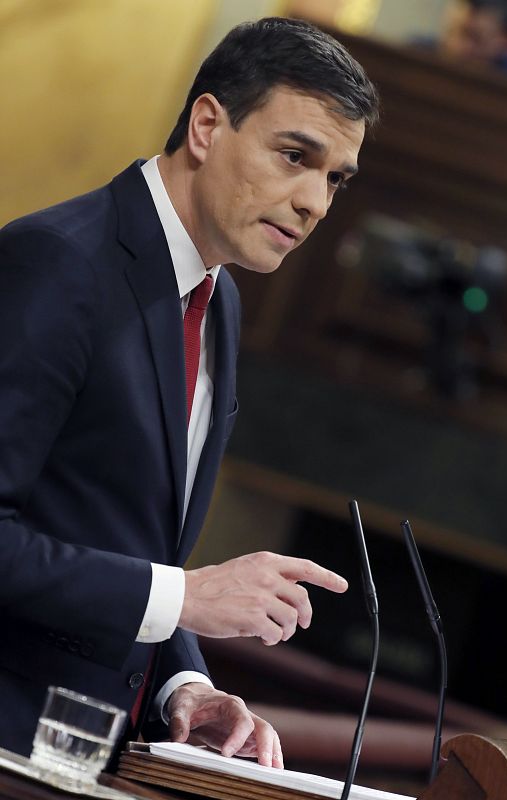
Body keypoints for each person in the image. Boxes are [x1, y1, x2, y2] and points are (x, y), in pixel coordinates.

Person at [0, 17, 379, 767]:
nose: (315, 202)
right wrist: (186, 599)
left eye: (335, 178)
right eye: (295, 156)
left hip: (80, 752)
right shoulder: (57, 262)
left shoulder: (220, 298)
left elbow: (129, 542)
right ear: (206, 126)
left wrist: (182, 683)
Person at [417, 0, 507, 89]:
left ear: (506, 39)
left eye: (474, 39)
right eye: (453, 33)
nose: (459, 47)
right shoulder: (417, 55)